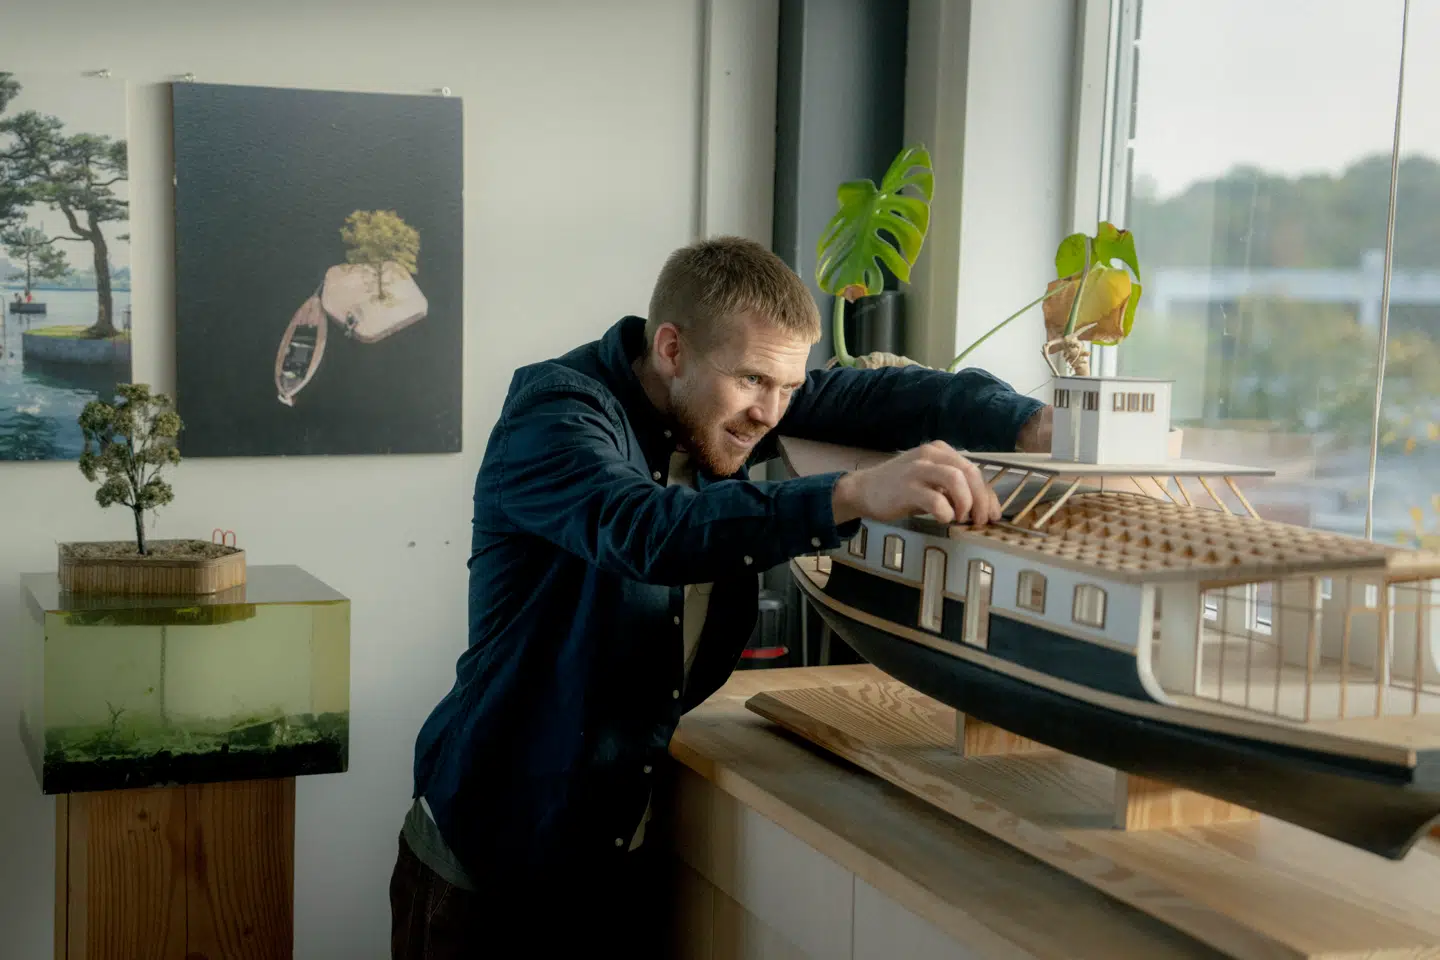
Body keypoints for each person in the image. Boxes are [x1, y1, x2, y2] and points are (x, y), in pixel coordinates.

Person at [389, 236, 1052, 957]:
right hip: (489, 869)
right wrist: (851, 495)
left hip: (611, 858)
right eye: (753, 381)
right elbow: (646, 530)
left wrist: (1029, 422)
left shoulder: (718, 408)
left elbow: (877, 395)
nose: (771, 412)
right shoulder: (554, 416)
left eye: (788, 387)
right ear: (672, 349)